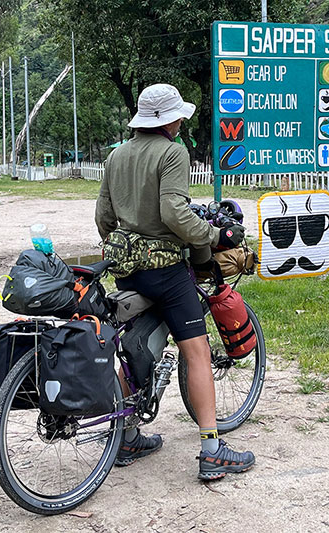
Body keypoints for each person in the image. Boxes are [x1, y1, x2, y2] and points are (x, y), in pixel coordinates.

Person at [95, 84, 255, 481]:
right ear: (169, 120)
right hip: (166, 272)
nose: (182, 122)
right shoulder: (173, 151)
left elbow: (103, 217)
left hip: (127, 269)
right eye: (179, 116)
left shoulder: (117, 156)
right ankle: (212, 450)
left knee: (126, 346)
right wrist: (214, 236)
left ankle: (127, 436)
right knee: (198, 353)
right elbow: (174, 214)